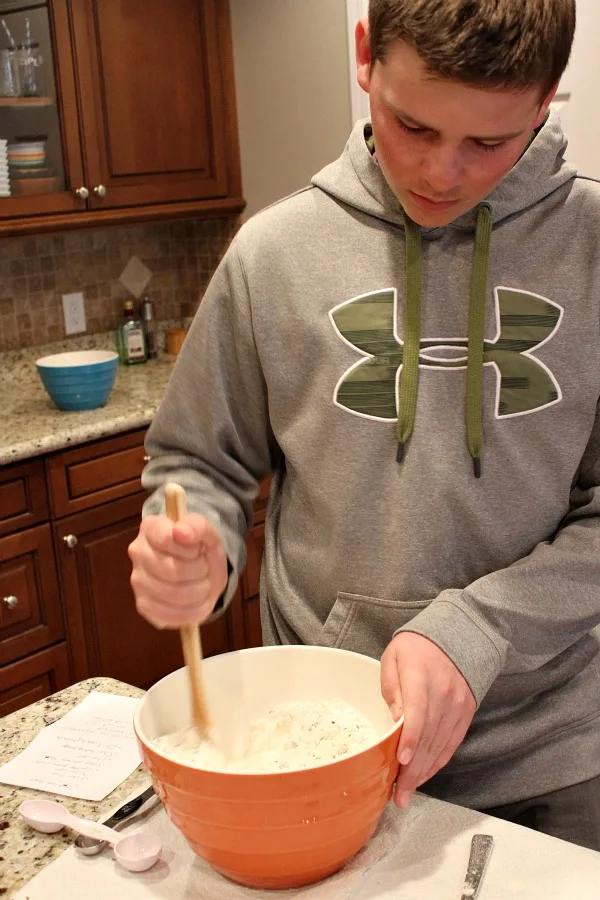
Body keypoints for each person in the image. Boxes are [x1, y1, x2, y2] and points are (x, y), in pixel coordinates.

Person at [128, 0, 600, 850]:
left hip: (553, 756)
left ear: (545, 101)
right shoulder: (271, 254)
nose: (442, 173)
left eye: (488, 143)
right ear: (363, 57)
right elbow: (199, 462)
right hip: (322, 742)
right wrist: (196, 538)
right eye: (412, 123)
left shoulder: (596, 247)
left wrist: (475, 632)